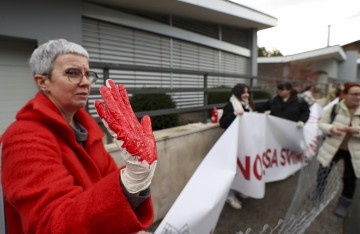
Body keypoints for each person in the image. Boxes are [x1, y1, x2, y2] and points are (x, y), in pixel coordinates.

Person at [1, 39, 157, 233]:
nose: (85, 82)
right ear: (43, 82)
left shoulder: (87, 130)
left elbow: (108, 179)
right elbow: (50, 224)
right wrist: (130, 182)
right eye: (72, 73)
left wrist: (138, 177)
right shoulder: (23, 139)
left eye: (88, 74)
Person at [308, 82, 360, 218]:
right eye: (355, 94)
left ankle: (343, 204)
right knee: (323, 170)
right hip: (333, 146)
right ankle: (318, 191)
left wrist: (357, 131)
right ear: (345, 95)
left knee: (350, 178)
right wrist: (331, 129)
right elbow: (321, 123)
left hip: (354, 151)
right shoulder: (335, 108)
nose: (358, 97)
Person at [219, 83, 252, 209]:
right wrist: (234, 114)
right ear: (237, 93)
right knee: (231, 170)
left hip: (244, 143)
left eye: (248, 92)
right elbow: (222, 123)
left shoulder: (248, 106)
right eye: (243, 92)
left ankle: (239, 189)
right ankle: (229, 195)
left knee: (241, 168)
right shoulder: (230, 106)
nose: (246, 95)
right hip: (231, 144)